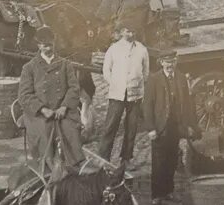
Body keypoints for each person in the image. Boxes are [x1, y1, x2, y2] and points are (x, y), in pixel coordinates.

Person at [15, 38, 86, 178]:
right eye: (45, 45)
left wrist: (64, 106)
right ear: (38, 46)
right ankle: (48, 168)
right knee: (44, 131)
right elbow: (24, 95)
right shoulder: (29, 67)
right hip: (39, 113)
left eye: (50, 45)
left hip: (62, 110)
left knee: (70, 129)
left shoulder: (65, 64)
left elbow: (74, 88)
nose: (48, 49)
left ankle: (73, 165)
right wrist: (42, 109)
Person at [93, 20, 152, 173]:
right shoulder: (114, 49)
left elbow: (145, 72)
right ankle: (103, 158)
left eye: (133, 32)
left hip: (135, 94)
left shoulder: (141, 49)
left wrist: (137, 84)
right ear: (122, 32)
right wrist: (115, 83)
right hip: (117, 94)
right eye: (127, 31)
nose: (130, 34)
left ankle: (126, 159)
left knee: (131, 127)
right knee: (110, 126)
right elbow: (107, 70)